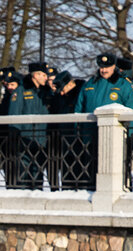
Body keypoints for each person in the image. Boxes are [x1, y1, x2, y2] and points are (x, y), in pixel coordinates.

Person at [75, 52, 133, 189]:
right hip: (90, 136)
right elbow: (79, 108)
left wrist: (129, 134)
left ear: (114, 66)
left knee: (116, 169)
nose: (104, 70)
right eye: (101, 67)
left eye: (107, 67)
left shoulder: (124, 84)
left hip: (115, 137)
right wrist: (78, 131)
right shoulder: (90, 83)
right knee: (90, 168)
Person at [8, 62, 49, 190]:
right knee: (23, 172)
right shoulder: (21, 90)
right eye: (43, 75)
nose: (45, 78)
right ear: (35, 75)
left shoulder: (46, 92)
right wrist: (15, 134)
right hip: (25, 138)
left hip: (42, 139)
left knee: (38, 172)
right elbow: (14, 113)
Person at [48, 71, 85, 190]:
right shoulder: (62, 97)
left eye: (63, 89)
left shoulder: (81, 92)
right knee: (67, 176)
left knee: (81, 174)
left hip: (80, 140)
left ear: (70, 84)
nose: (62, 93)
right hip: (65, 140)